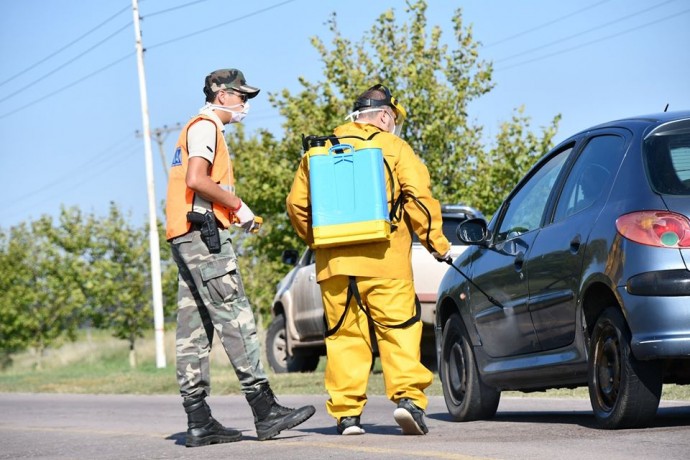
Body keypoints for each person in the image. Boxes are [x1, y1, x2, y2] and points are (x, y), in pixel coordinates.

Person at [285, 84, 451, 436]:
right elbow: (417, 199)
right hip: (385, 261)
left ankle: (347, 416)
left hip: (335, 267)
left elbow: (297, 206)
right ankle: (408, 401)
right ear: (385, 116)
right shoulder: (393, 147)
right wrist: (436, 242)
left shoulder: (318, 152)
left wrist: (320, 243)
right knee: (399, 332)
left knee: (344, 337)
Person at [165, 68, 315, 447]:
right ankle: (265, 411)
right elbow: (197, 179)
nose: (245, 104)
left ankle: (198, 421)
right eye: (240, 96)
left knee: (194, 329)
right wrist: (238, 206)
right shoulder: (206, 127)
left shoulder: (196, 127)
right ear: (220, 94)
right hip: (205, 236)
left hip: (185, 237)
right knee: (236, 317)